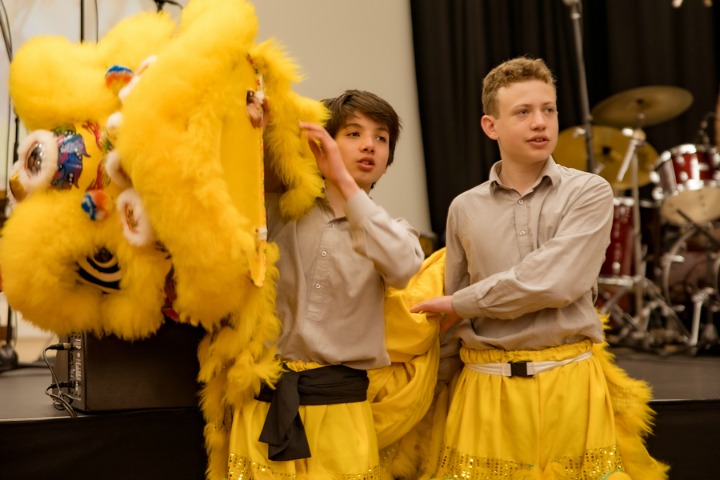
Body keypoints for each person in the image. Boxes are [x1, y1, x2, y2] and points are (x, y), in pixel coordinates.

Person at [411, 56, 668, 479]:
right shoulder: (464, 208)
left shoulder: (588, 191)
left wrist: (461, 302)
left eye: (549, 109)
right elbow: (453, 324)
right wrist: (432, 391)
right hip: (484, 390)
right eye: (523, 112)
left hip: (569, 386)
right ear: (490, 126)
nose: (540, 122)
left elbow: (555, 282)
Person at [228, 89, 425, 479]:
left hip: (341, 410)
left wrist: (343, 182)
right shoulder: (279, 209)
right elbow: (233, 182)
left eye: (381, 138)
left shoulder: (395, 231)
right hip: (264, 401)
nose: (369, 145)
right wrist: (257, 127)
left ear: (388, 163)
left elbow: (404, 268)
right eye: (353, 133)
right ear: (324, 145)